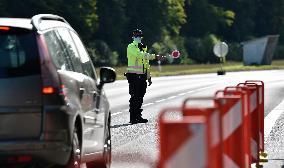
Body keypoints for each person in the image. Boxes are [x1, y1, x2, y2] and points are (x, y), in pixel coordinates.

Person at [125, 29, 162, 124]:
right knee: (134, 96)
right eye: (136, 36)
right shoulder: (131, 46)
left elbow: (146, 64)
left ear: (141, 37)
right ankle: (133, 118)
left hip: (142, 76)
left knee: (140, 96)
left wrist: (148, 77)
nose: (138, 37)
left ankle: (138, 116)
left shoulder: (143, 47)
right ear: (133, 36)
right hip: (133, 76)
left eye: (139, 36)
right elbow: (140, 55)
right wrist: (155, 56)